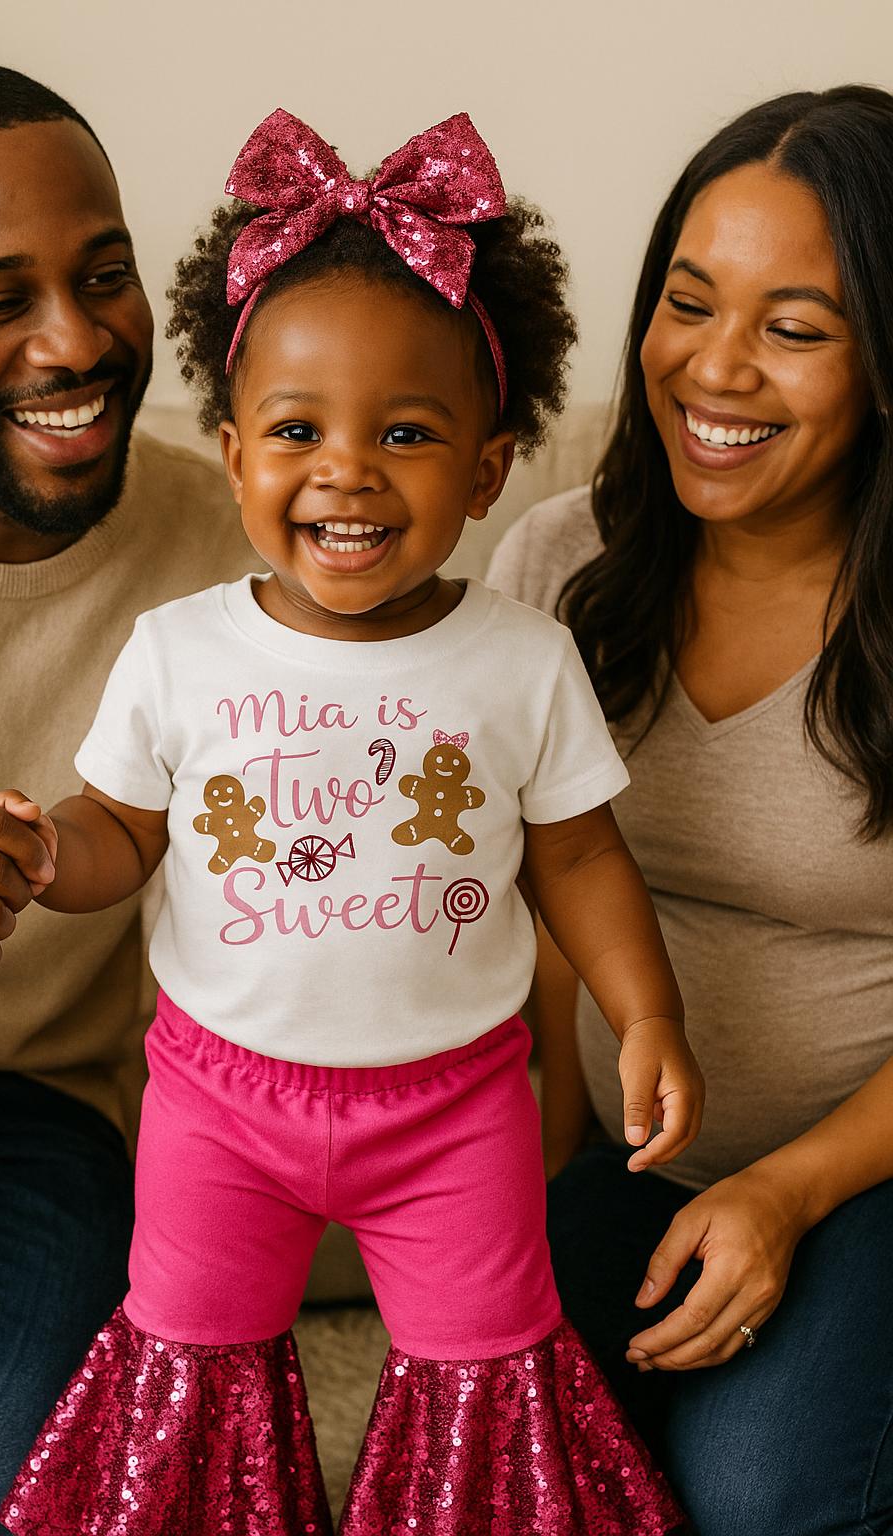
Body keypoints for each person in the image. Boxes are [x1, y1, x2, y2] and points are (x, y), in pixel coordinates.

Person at [0, 110, 703, 1536]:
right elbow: (122, 829)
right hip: (217, 1102)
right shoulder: (180, 649)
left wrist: (648, 1016)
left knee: (487, 1356)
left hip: (457, 1108)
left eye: (408, 435)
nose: (348, 470)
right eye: (297, 432)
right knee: (188, 1344)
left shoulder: (522, 660)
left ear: (489, 469)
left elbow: (576, 855)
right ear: (234, 451)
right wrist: (48, 854)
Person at [488, 85, 893, 1536]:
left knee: (761, 1495)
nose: (715, 370)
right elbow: (537, 911)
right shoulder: (558, 563)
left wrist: (785, 1193)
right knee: (493, 1458)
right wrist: (521, 1199)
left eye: (796, 329)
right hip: (633, 1167)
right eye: (688, 302)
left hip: (865, 1174)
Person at [0, 61, 259, 1534]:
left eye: (103, 276)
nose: (77, 342)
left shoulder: (248, 552)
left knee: (6, 1462)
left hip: (34, 1113)